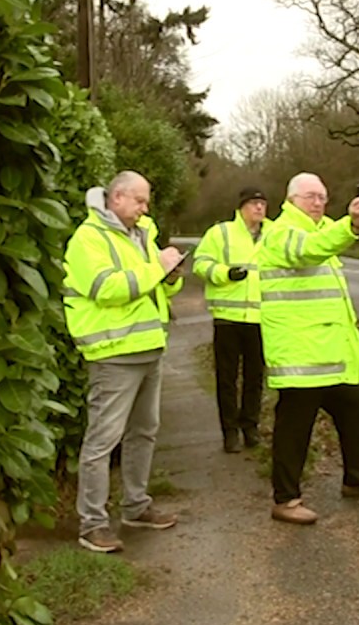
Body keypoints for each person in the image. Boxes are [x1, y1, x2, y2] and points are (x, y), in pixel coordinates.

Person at [254, 172, 359, 525]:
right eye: (310, 197)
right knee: (293, 430)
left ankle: (358, 478)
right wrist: (350, 225)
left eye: (322, 196)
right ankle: (285, 500)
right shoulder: (281, 233)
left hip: (333, 352)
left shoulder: (322, 230)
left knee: (355, 410)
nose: (318, 202)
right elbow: (307, 253)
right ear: (291, 200)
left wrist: (350, 225)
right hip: (300, 354)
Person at [61, 170, 186, 553]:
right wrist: (157, 269)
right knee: (103, 440)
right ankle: (92, 524)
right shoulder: (88, 239)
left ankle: (135, 505)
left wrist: (171, 276)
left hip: (148, 347)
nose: (145, 208)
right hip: (113, 354)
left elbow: (154, 288)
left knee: (144, 432)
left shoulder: (141, 232)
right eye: (139, 201)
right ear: (116, 198)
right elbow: (108, 289)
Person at [193, 186, 270, 453]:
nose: (259, 208)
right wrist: (225, 273)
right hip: (228, 318)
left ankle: (250, 426)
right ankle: (229, 431)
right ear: (241, 207)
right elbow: (200, 263)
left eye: (262, 203)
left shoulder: (273, 234)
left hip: (261, 317)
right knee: (227, 378)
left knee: (255, 376)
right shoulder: (220, 233)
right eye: (253, 204)